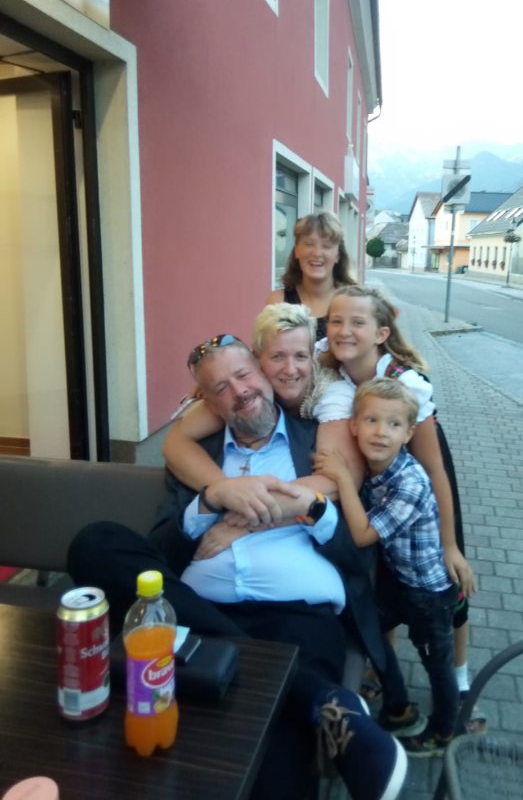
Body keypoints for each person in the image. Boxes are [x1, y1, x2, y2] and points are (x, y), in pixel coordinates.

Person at [68, 336, 406, 800]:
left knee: (279, 750)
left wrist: (308, 508)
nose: (240, 391)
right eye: (221, 387)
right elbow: (162, 550)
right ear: (207, 404)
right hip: (197, 613)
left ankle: (294, 689)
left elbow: (359, 554)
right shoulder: (200, 456)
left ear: (264, 373)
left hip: (296, 618)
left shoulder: (319, 441)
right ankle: (315, 696)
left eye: (244, 375)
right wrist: (212, 499)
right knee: (94, 542)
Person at [315, 284, 482, 717]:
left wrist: (449, 544)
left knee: (448, 581)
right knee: (385, 579)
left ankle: (459, 679)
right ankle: (380, 670)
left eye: (357, 322)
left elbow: (434, 469)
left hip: (421, 478)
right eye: (336, 321)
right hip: (377, 481)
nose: (344, 330)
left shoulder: (406, 382)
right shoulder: (325, 357)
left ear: (381, 333)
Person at [315, 378, 464, 755]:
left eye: (394, 424)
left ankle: (444, 731)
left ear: (408, 433)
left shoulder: (409, 483)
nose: (381, 432)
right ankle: (396, 702)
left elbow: (363, 534)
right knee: (368, 627)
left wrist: (342, 477)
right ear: (353, 425)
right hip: (401, 583)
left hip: (429, 595)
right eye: (372, 420)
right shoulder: (376, 466)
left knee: (437, 664)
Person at [162, 304, 363, 522]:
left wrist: (247, 516)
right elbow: (175, 443)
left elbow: (341, 481)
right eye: (277, 356)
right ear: (256, 359)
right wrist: (228, 491)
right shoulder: (245, 390)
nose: (290, 369)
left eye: (301, 356)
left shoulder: (332, 394)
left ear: (311, 356)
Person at [267, 211, 357, 342]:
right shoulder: (278, 302)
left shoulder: (354, 302)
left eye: (326, 246)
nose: (317, 253)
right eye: (309, 244)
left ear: (337, 255)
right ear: (296, 250)